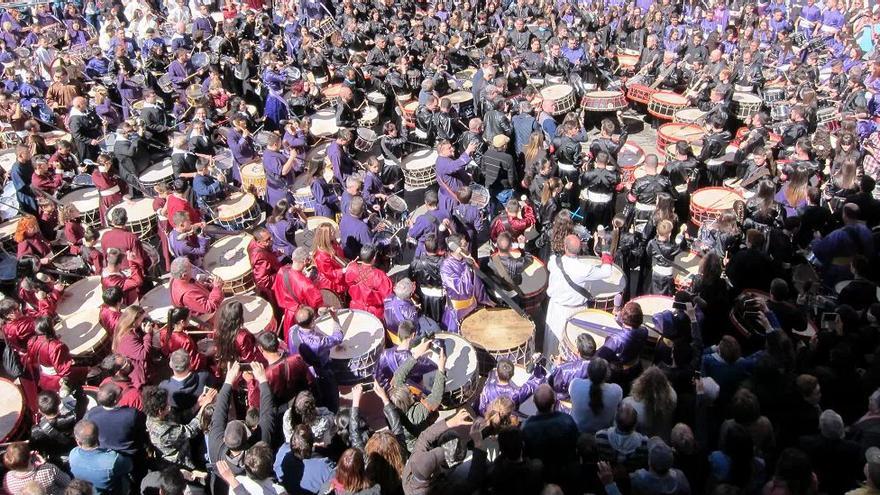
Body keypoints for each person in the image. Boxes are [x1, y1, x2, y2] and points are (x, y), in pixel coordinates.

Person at [545, 234, 614, 355]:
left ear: (565, 247)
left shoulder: (553, 262)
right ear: (581, 247)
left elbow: (553, 264)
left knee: (553, 345)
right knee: (574, 346)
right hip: (577, 311)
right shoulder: (584, 269)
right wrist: (605, 250)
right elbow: (607, 271)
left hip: (556, 310)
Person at [440, 235, 492, 332]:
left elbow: (477, 282)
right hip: (458, 311)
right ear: (456, 249)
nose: (467, 246)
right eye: (464, 245)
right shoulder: (446, 266)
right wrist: (468, 268)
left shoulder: (465, 258)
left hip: (473, 305)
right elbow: (460, 289)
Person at [69, 420, 133, 494]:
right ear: (98, 436)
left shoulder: (73, 454)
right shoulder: (112, 460)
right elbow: (129, 466)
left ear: (78, 442)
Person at [273, 248, 324, 341]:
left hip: (288, 313)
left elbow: (277, 289)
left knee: (292, 339)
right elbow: (316, 303)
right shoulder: (306, 285)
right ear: (305, 261)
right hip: (302, 316)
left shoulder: (281, 270)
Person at [2, 441, 71, 494]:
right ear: (29, 456)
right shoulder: (48, 470)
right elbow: (68, 482)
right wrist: (45, 463)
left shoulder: (7, 479)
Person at [345, 245, 393, 321]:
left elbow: (348, 283)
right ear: (374, 258)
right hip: (374, 312)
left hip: (355, 308)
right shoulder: (379, 275)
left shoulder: (351, 269)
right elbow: (388, 296)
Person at [246, 227, 283, 304]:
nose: (271, 240)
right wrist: (282, 273)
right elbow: (264, 281)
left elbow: (267, 254)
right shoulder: (259, 258)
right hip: (271, 289)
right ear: (259, 242)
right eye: (267, 240)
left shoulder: (253, 243)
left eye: (270, 237)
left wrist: (276, 254)